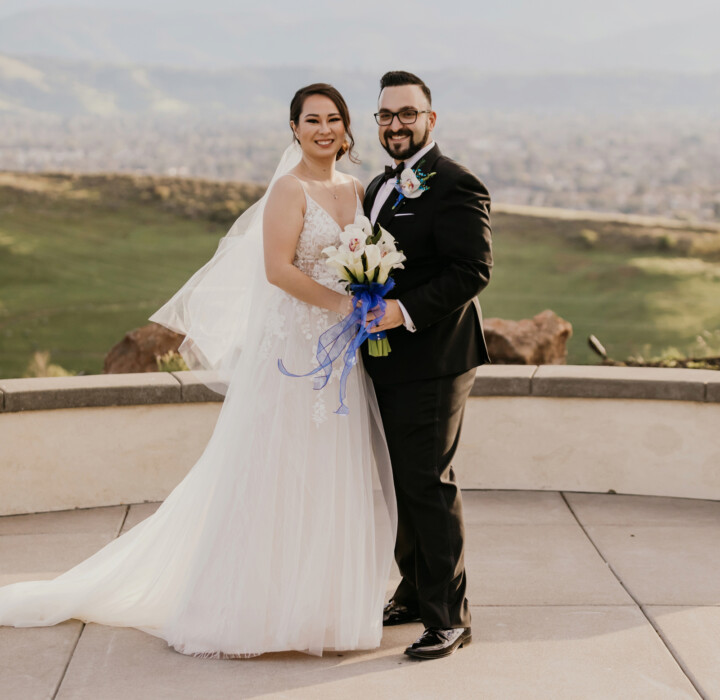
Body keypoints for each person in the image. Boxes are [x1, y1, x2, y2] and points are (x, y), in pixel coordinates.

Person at [0, 83, 396, 659]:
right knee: (275, 472)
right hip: (292, 353)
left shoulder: (357, 189)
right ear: (294, 129)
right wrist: (346, 305)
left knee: (330, 475)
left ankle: (320, 613)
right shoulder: (289, 190)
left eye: (334, 119)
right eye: (312, 120)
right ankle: (254, 612)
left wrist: (366, 297)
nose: (324, 129)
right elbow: (277, 271)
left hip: (341, 356)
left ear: (347, 126)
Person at [362, 71, 493, 660]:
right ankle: (414, 591)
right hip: (386, 360)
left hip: (438, 360)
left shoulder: (458, 185)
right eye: (386, 115)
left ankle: (450, 617)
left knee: (428, 484)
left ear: (430, 121)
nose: (396, 124)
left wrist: (402, 311)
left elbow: (473, 271)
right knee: (400, 482)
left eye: (407, 114)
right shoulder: (376, 188)